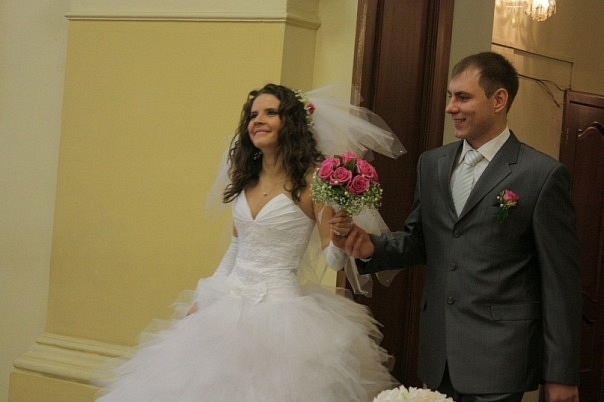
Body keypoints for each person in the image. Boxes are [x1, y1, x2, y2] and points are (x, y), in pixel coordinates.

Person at [96, 83, 403, 401]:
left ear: (291, 122)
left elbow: (334, 261)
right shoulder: (245, 179)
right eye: (253, 115)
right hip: (227, 306)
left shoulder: (314, 183)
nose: (258, 121)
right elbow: (237, 248)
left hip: (281, 315)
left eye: (270, 113)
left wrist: (339, 237)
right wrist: (207, 296)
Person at [338, 52, 581, 402]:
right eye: (450, 96)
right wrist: (373, 248)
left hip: (501, 358)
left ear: (499, 100)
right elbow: (421, 241)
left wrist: (561, 374)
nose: (451, 107)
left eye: (463, 97)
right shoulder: (432, 164)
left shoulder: (541, 175)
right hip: (439, 356)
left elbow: (561, 282)